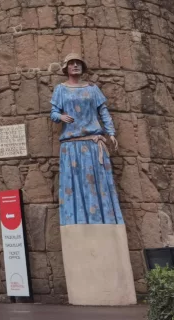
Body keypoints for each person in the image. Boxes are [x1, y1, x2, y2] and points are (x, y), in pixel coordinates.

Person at [50, 53, 124, 226]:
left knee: (97, 185)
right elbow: (53, 112)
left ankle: (103, 224)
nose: (75, 65)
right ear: (66, 68)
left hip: (92, 144)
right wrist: (60, 116)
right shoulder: (61, 89)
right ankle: (77, 226)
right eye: (71, 63)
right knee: (73, 186)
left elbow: (103, 111)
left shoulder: (92, 88)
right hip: (71, 146)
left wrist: (111, 133)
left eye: (78, 63)